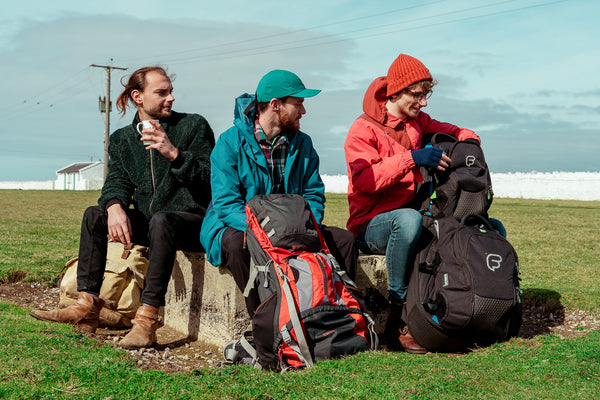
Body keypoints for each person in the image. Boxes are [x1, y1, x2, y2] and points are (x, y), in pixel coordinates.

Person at [30, 66, 215, 349]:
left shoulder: (193, 126)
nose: (171, 98)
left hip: (191, 222)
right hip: (152, 223)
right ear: (137, 96)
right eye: (162, 92)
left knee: (162, 220)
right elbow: (116, 181)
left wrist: (174, 154)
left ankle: (147, 321)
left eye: (171, 91)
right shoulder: (121, 139)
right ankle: (86, 307)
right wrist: (114, 205)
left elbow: (211, 179)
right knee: (95, 214)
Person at [344, 54, 487, 354]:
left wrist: (469, 142)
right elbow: (365, 182)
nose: (423, 103)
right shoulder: (363, 130)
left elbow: (458, 131)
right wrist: (413, 159)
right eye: (417, 94)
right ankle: (399, 314)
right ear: (397, 91)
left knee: (476, 226)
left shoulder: (417, 121)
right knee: (407, 221)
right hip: (372, 224)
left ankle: (476, 308)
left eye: (426, 95)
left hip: (413, 211)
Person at [200, 69, 357, 317]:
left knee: (345, 240)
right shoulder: (229, 142)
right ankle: (265, 323)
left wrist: (306, 228)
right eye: (298, 104)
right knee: (235, 245)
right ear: (275, 105)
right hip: (239, 224)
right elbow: (226, 204)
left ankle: (337, 315)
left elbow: (313, 194)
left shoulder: (303, 143)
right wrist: (267, 234)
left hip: (293, 227)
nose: (303, 112)